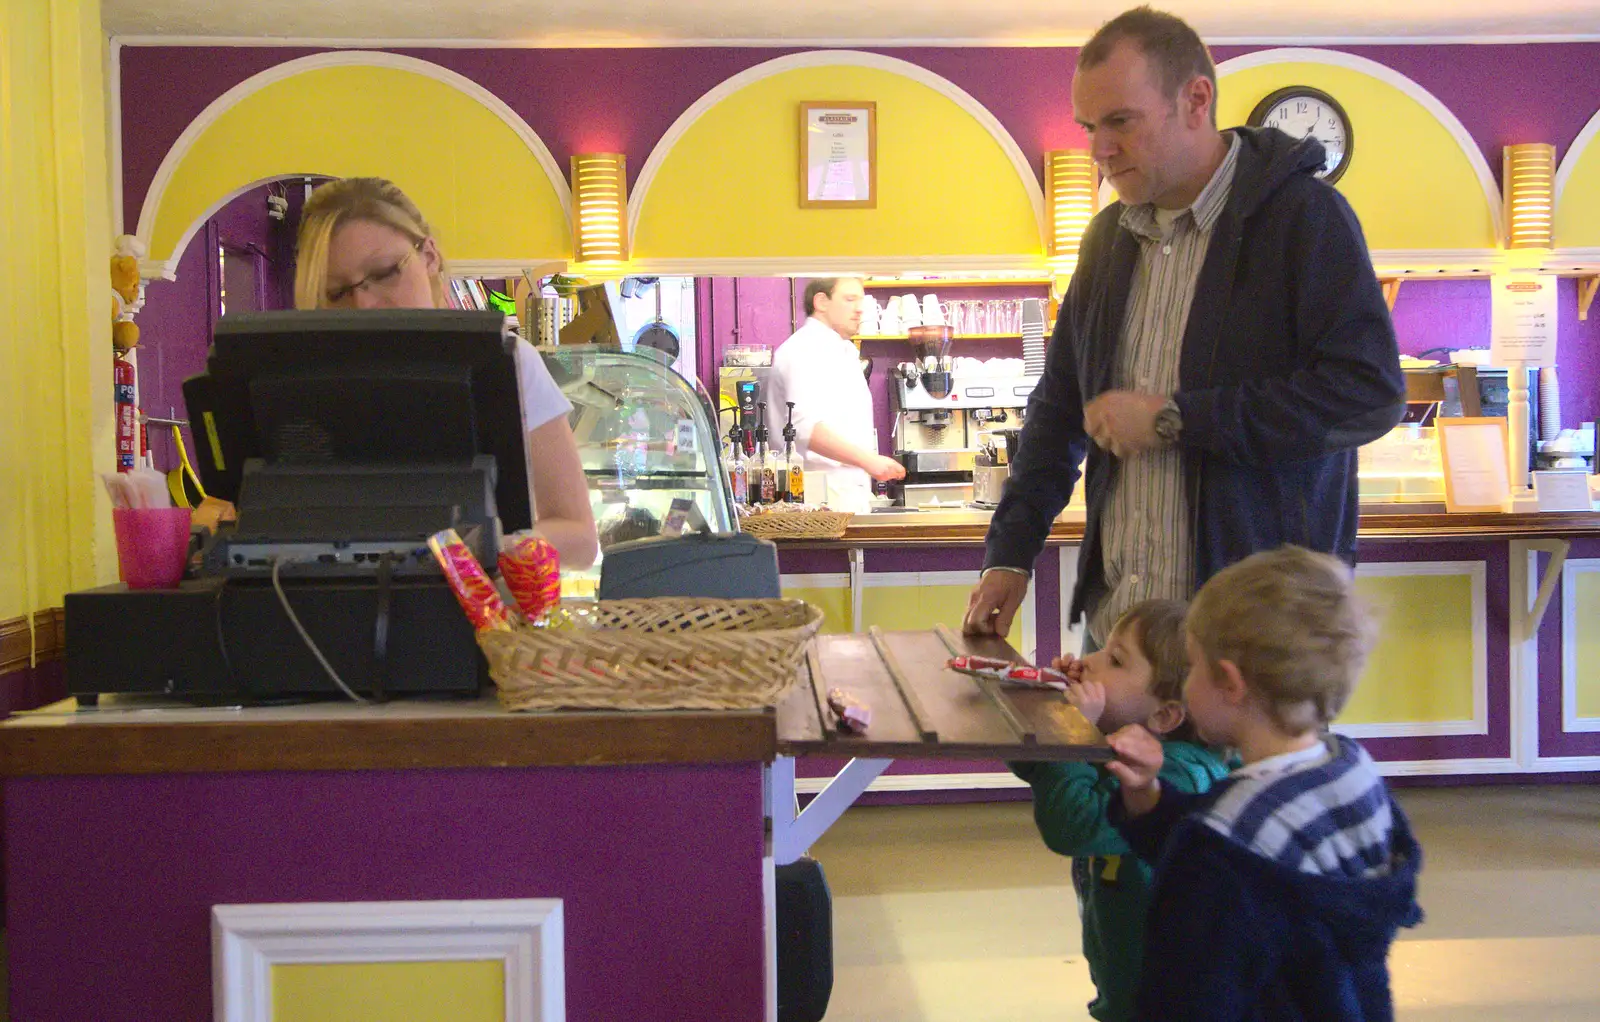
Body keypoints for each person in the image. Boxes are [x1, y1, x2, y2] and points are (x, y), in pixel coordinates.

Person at [963, 7, 1404, 648]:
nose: (1098, 149)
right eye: (1091, 126)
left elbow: (1370, 395)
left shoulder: (1306, 219)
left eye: (1120, 121)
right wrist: (1009, 554)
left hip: (1256, 642)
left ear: (1196, 99)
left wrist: (1177, 418)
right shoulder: (1107, 239)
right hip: (1123, 641)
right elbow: (1058, 411)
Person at [1105, 546, 1423, 1021]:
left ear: (1229, 683)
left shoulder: (1221, 850)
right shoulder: (1351, 769)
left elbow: (1185, 999)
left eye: (1192, 665)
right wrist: (1148, 798)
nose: (1186, 681)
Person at [293, 177, 598, 569]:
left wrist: (480, 546)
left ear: (430, 256)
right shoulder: (308, 380)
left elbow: (580, 540)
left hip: (482, 618)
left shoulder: (508, 362)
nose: (364, 304)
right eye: (337, 292)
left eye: (385, 272)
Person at [1011, 599, 1229, 1022]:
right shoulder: (1122, 738)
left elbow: (1072, 824)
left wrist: (1069, 735)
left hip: (1171, 999)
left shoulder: (1179, 776)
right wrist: (1046, 707)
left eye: (1114, 659)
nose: (1088, 662)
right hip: (1125, 979)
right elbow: (1042, 770)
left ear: (1165, 714)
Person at [763, 277, 904, 513]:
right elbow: (804, 428)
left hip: (845, 494)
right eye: (849, 299)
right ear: (821, 302)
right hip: (818, 499)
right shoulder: (803, 350)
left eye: (861, 300)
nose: (860, 309)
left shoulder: (844, 350)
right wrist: (869, 461)